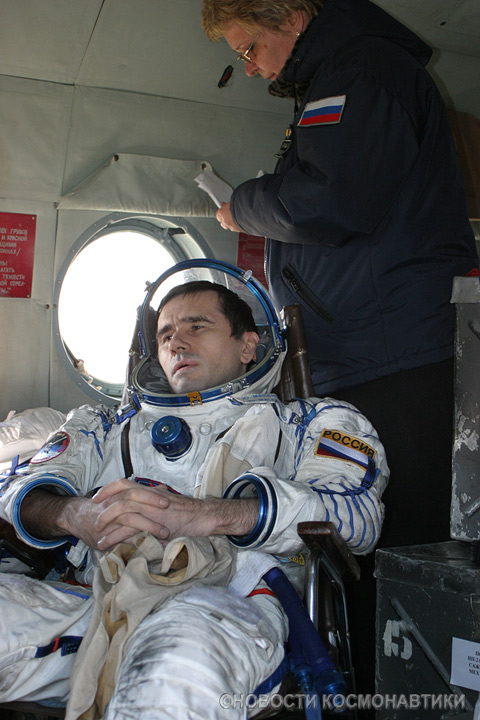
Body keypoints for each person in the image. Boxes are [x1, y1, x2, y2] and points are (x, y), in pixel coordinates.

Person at [201, 0, 479, 700]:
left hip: (395, 357)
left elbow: (330, 202)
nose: (250, 66)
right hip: (364, 353)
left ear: (291, 16)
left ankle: (416, 699)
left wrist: (243, 204)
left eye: (249, 46)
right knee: (368, 546)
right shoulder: (340, 77)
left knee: (403, 551)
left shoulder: (365, 72)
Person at [0, 260, 388, 719]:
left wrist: (209, 515)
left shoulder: (312, 424)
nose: (176, 342)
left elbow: (355, 516)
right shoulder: (100, 425)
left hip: (229, 602)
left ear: (247, 345)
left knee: (172, 675)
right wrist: (74, 514)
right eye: (164, 334)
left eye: (196, 326)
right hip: (94, 598)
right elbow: (17, 493)